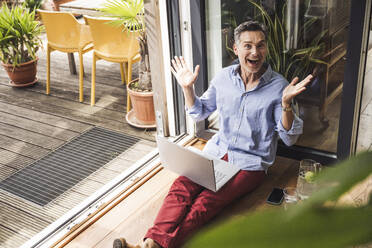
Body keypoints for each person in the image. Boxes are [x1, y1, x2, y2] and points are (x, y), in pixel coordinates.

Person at [113, 20, 312, 248]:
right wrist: (188, 88)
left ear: (266, 48)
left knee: (205, 202)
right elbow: (199, 112)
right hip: (217, 152)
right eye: (248, 46)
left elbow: (289, 137)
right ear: (236, 49)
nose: (255, 52)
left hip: (250, 164)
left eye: (260, 45)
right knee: (181, 188)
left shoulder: (279, 87)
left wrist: (286, 104)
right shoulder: (224, 78)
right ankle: (151, 243)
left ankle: (149, 246)